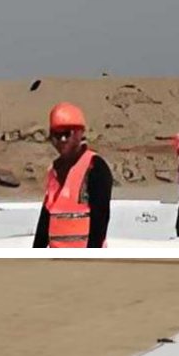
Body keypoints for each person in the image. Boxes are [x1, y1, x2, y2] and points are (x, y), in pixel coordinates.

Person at [33, 102, 113, 248]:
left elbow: (100, 218)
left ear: (79, 133)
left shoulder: (94, 166)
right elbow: (46, 218)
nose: (62, 139)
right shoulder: (54, 170)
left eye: (67, 133)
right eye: (57, 134)